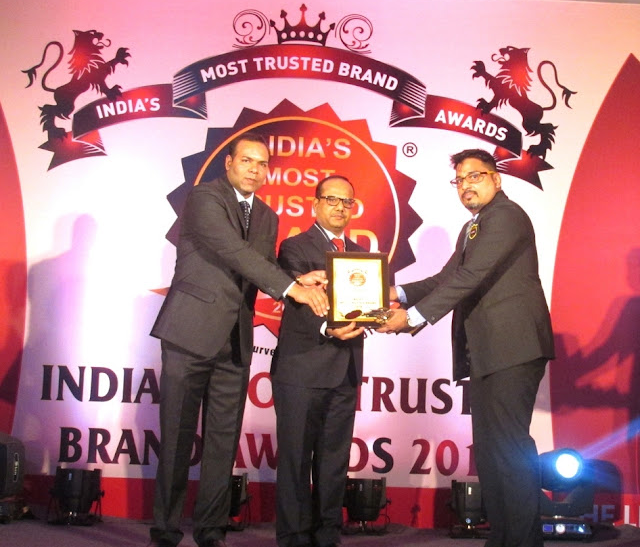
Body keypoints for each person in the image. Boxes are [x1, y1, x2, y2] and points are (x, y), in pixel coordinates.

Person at [149, 132, 330, 547]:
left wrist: (297, 278)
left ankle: (211, 530)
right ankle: (165, 531)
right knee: (176, 439)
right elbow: (232, 251)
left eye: (263, 163)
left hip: (235, 341)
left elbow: (262, 266)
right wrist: (292, 290)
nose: (255, 169)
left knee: (223, 441)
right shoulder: (204, 198)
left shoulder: (267, 215)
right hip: (189, 332)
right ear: (229, 163)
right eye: (247, 160)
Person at [377, 149, 555, 547]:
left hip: (513, 345)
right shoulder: (473, 226)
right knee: (490, 453)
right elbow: (446, 278)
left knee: (508, 449)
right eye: (459, 180)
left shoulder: (506, 216)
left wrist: (414, 317)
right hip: (488, 350)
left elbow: (471, 276)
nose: (466, 185)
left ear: (496, 179)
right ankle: (504, 538)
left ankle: (524, 541)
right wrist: (393, 293)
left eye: (475, 176)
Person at [271, 175, 367, 547]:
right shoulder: (294, 247)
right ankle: (294, 537)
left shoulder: (362, 255)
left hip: (345, 371)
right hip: (301, 368)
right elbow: (297, 295)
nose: (340, 207)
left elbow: (368, 304)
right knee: (295, 459)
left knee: (334, 461)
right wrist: (329, 327)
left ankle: (328, 535)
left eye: (347, 202)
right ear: (315, 204)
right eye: (332, 200)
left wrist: (378, 315)